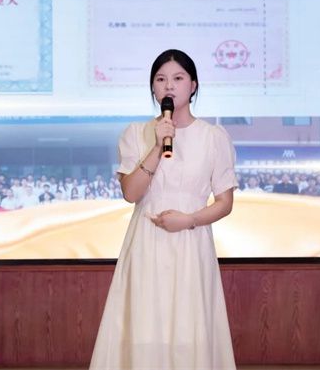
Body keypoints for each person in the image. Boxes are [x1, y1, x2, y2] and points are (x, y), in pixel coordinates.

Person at [89, 49, 237, 370]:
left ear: (193, 85)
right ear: (153, 88)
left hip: (191, 242)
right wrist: (158, 146)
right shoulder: (135, 134)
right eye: (160, 79)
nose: (169, 85)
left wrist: (189, 220)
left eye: (178, 78)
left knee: (189, 328)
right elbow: (131, 193)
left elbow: (225, 203)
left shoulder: (213, 137)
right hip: (147, 242)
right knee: (145, 324)